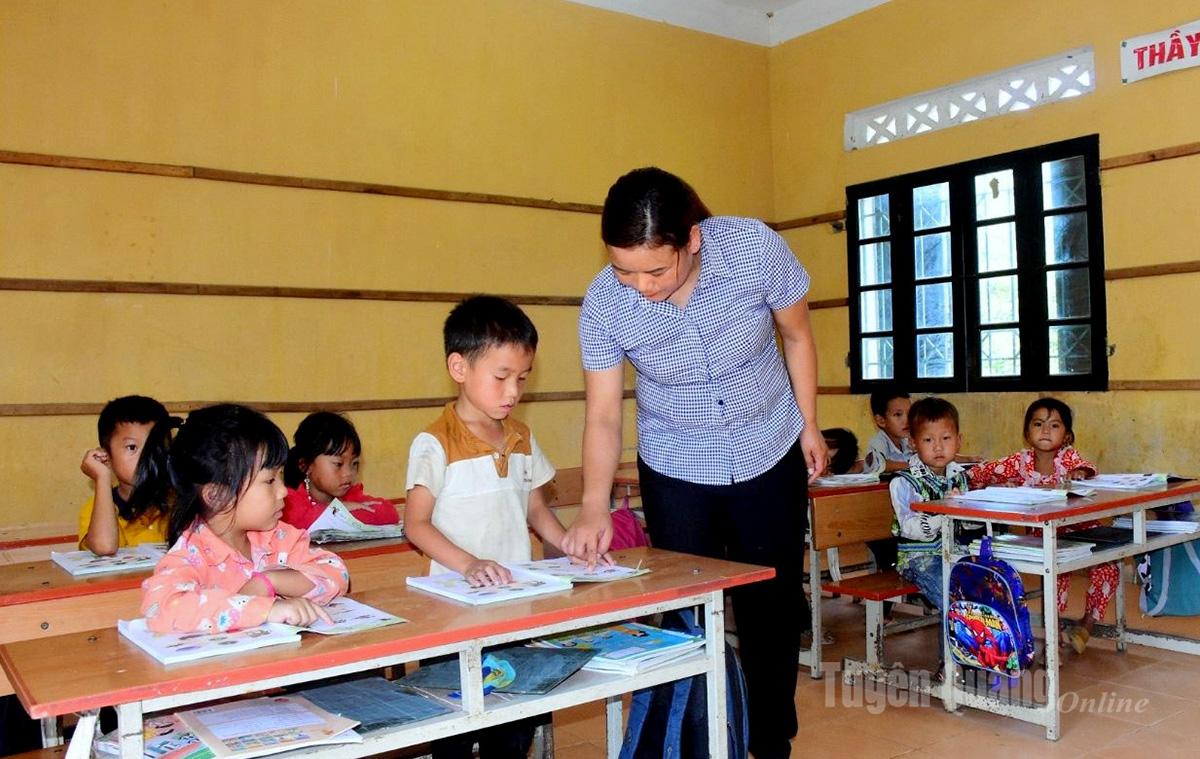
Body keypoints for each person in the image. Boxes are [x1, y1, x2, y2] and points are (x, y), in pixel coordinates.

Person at [565, 167, 826, 759]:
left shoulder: (753, 247)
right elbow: (604, 414)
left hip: (768, 445)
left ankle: (769, 740)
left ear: (693, 239)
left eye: (655, 269)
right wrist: (591, 506)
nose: (640, 285)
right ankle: (695, 740)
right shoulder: (606, 302)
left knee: (771, 607)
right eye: (624, 269)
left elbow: (798, 336)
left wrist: (809, 422)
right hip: (677, 463)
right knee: (684, 611)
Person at [404, 296, 566, 759]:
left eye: (522, 378)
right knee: (454, 729)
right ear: (459, 367)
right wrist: (469, 564)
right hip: (451, 615)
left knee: (512, 730)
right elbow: (416, 523)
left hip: (513, 608)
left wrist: (570, 544)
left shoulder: (522, 436)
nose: (513, 391)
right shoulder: (434, 442)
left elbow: (536, 510)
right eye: (501, 377)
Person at [139, 404, 348, 633]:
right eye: (270, 481)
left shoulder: (276, 538)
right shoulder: (191, 555)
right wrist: (264, 609)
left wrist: (269, 582)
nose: (284, 491)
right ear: (218, 495)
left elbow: (337, 573)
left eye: (280, 477)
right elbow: (164, 609)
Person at [968, 397, 1107, 653]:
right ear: (1027, 433)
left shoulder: (1067, 458)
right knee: (1056, 577)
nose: (1045, 430)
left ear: (1066, 436)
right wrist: (990, 485)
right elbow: (978, 473)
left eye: (1054, 426)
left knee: (1108, 565)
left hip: (1082, 530)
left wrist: (1080, 474)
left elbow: (1086, 468)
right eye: (1038, 424)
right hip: (1045, 538)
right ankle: (1053, 640)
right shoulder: (1018, 462)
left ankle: (1087, 624)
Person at [891, 398, 984, 617]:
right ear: (913, 443)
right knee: (956, 602)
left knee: (990, 585)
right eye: (928, 439)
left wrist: (970, 508)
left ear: (958, 441)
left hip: (955, 555)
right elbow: (908, 527)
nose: (938, 447)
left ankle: (976, 649)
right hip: (918, 560)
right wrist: (944, 512)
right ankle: (957, 650)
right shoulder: (904, 482)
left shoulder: (958, 476)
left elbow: (969, 526)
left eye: (946, 438)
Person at [78, 395, 173, 555]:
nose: (145, 457)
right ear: (106, 455)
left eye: (154, 446)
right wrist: (102, 477)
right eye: (131, 447)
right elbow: (104, 547)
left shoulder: (177, 501)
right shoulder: (98, 506)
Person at [281, 411, 399, 529]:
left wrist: (337, 513)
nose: (348, 473)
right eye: (338, 464)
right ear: (305, 465)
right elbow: (302, 521)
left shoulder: (349, 496)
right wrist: (337, 509)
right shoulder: (289, 503)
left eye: (354, 464)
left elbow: (388, 513)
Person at [862, 388, 912, 475]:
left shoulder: (907, 441)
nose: (907, 420)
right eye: (898, 414)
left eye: (910, 413)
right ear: (881, 421)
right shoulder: (878, 441)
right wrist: (911, 466)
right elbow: (878, 464)